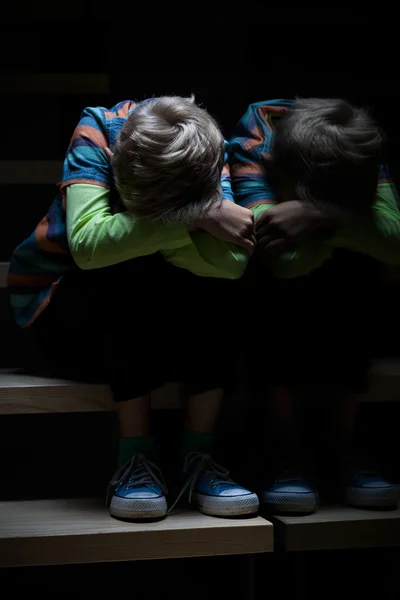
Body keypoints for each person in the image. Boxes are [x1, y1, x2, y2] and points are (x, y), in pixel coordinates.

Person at [9, 96, 259, 520]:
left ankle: (197, 458)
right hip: (64, 311)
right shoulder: (98, 130)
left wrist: (163, 229)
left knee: (208, 280)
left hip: (161, 322)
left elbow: (232, 263)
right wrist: (197, 215)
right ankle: (135, 457)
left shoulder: (201, 145)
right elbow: (89, 246)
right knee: (124, 265)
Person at [229, 97, 400, 514]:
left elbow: (395, 239)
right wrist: (341, 224)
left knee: (359, 265)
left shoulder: (354, 144)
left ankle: (341, 445)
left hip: (336, 284)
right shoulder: (256, 142)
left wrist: (319, 216)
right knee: (269, 274)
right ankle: (282, 447)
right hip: (264, 293)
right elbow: (282, 260)